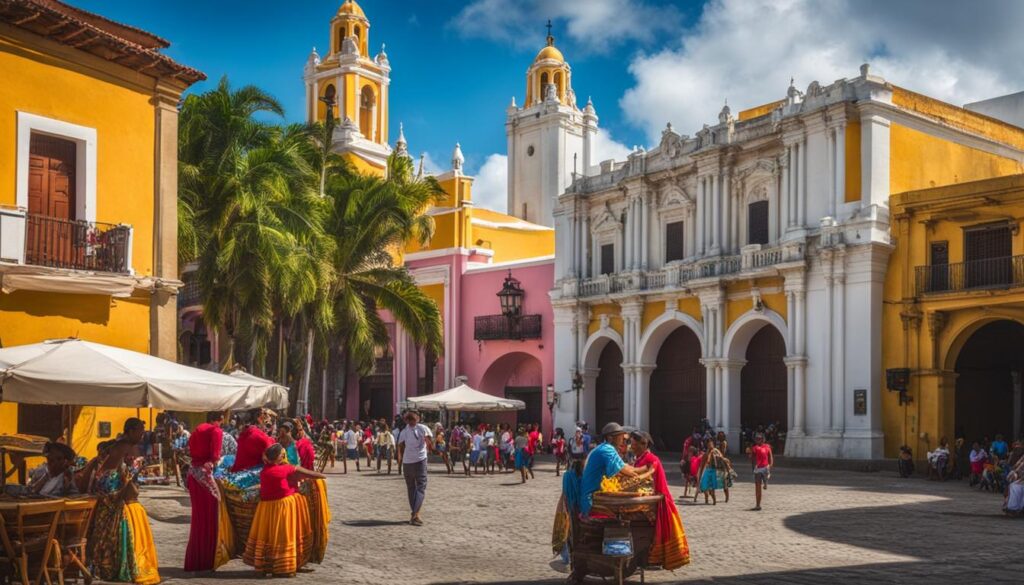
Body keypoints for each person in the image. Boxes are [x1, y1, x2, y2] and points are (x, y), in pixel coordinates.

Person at [87, 418, 160, 585]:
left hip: (112, 495)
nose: (142, 434)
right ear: (131, 430)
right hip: (113, 497)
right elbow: (117, 475)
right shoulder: (123, 448)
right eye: (140, 430)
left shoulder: (118, 445)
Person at [243, 444, 324, 576]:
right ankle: (285, 566)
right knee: (285, 536)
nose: (283, 456)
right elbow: (307, 473)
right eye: (281, 454)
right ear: (277, 457)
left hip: (267, 509)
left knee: (272, 538)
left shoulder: (265, 471)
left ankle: (270, 564)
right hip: (283, 507)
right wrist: (322, 476)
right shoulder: (285, 469)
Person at [630, 431, 691, 570]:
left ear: (643, 444)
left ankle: (655, 557)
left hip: (659, 501)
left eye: (634, 444)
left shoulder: (652, 458)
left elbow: (648, 472)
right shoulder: (639, 458)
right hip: (647, 499)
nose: (631, 446)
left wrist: (635, 477)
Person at [579, 423, 653, 517]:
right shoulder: (607, 450)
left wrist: (645, 469)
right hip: (591, 499)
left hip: (592, 495)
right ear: (610, 438)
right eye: (620, 437)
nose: (623, 440)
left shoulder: (605, 447)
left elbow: (625, 467)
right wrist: (649, 470)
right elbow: (627, 471)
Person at [184, 411, 227, 573]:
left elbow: (191, 451)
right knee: (212, 517)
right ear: (219, 419)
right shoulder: (216, 431)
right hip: (205, 474)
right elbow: (215, 456)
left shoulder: (197, 430)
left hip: (193, 474)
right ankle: (208, 559)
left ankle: (196, 559)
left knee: (198, 519)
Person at [397, 410, 434, 526]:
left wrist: (399, 459)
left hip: (407, 462)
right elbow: (429, 442)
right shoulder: (423, 428)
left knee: (411, 488)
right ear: (418, 418)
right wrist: (431, 447)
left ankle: (415, 514)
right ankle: (415, 514)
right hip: (419, 461)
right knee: (421, 487)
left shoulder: (404, 431)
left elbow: (399, 446)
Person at [695, 437, 725, 505]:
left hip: (713, 471)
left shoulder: (716, 452)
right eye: (709, 444)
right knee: (705, 486)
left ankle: (714, 501)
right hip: (707, 471)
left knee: (712, 488)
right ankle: (706, 499)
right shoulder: (706, 454)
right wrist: (700, 475)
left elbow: (721, 459)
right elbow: (702, 464)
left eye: (711, 444)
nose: (710, 445)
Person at [750, 432, 773, 511]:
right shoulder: (754, 448)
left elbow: (770, 457)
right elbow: (752, 459)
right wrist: (753, 468)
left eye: (759, 438)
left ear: (763, 439)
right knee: (757, 487)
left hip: (765, 467)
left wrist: (770, 466)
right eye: (756, 439)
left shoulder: (767, 447)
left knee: (765, 480)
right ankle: (758, 505)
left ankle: (766, 482)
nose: (758, 440)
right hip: (758, 469)